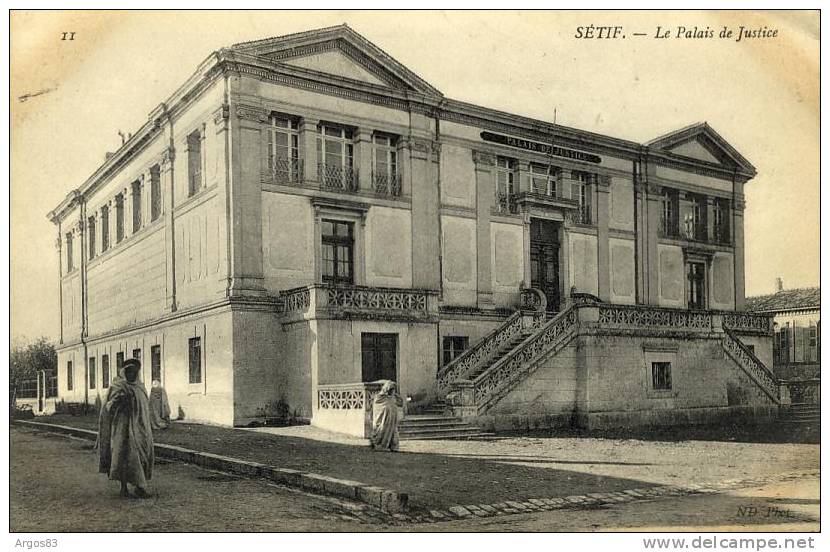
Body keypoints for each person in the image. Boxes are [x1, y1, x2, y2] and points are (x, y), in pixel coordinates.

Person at [97, 358, 154, 498]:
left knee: (143, 454)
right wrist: (120, 401)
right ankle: (125, 488)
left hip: (141, 428)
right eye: (129, 372)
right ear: (124, 372)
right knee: (124, 455)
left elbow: (145, 408)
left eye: (134, 372)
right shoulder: (118, 386)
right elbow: (108, 407)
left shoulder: (141, 387)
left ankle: (139, 486)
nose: (132, 375)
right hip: (123, 428)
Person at [370, 380, 403, 452]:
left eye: (393, 390)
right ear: (387, 389)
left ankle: (393, 446)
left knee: (393, 432)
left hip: (392, 420)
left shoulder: (393, 398)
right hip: (383, 420)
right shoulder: (379, 397)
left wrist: (397, 396)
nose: (392, 391)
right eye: (391, 389)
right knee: (382, 431)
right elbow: (376, 407)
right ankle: (381, 445)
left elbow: (401, 403)